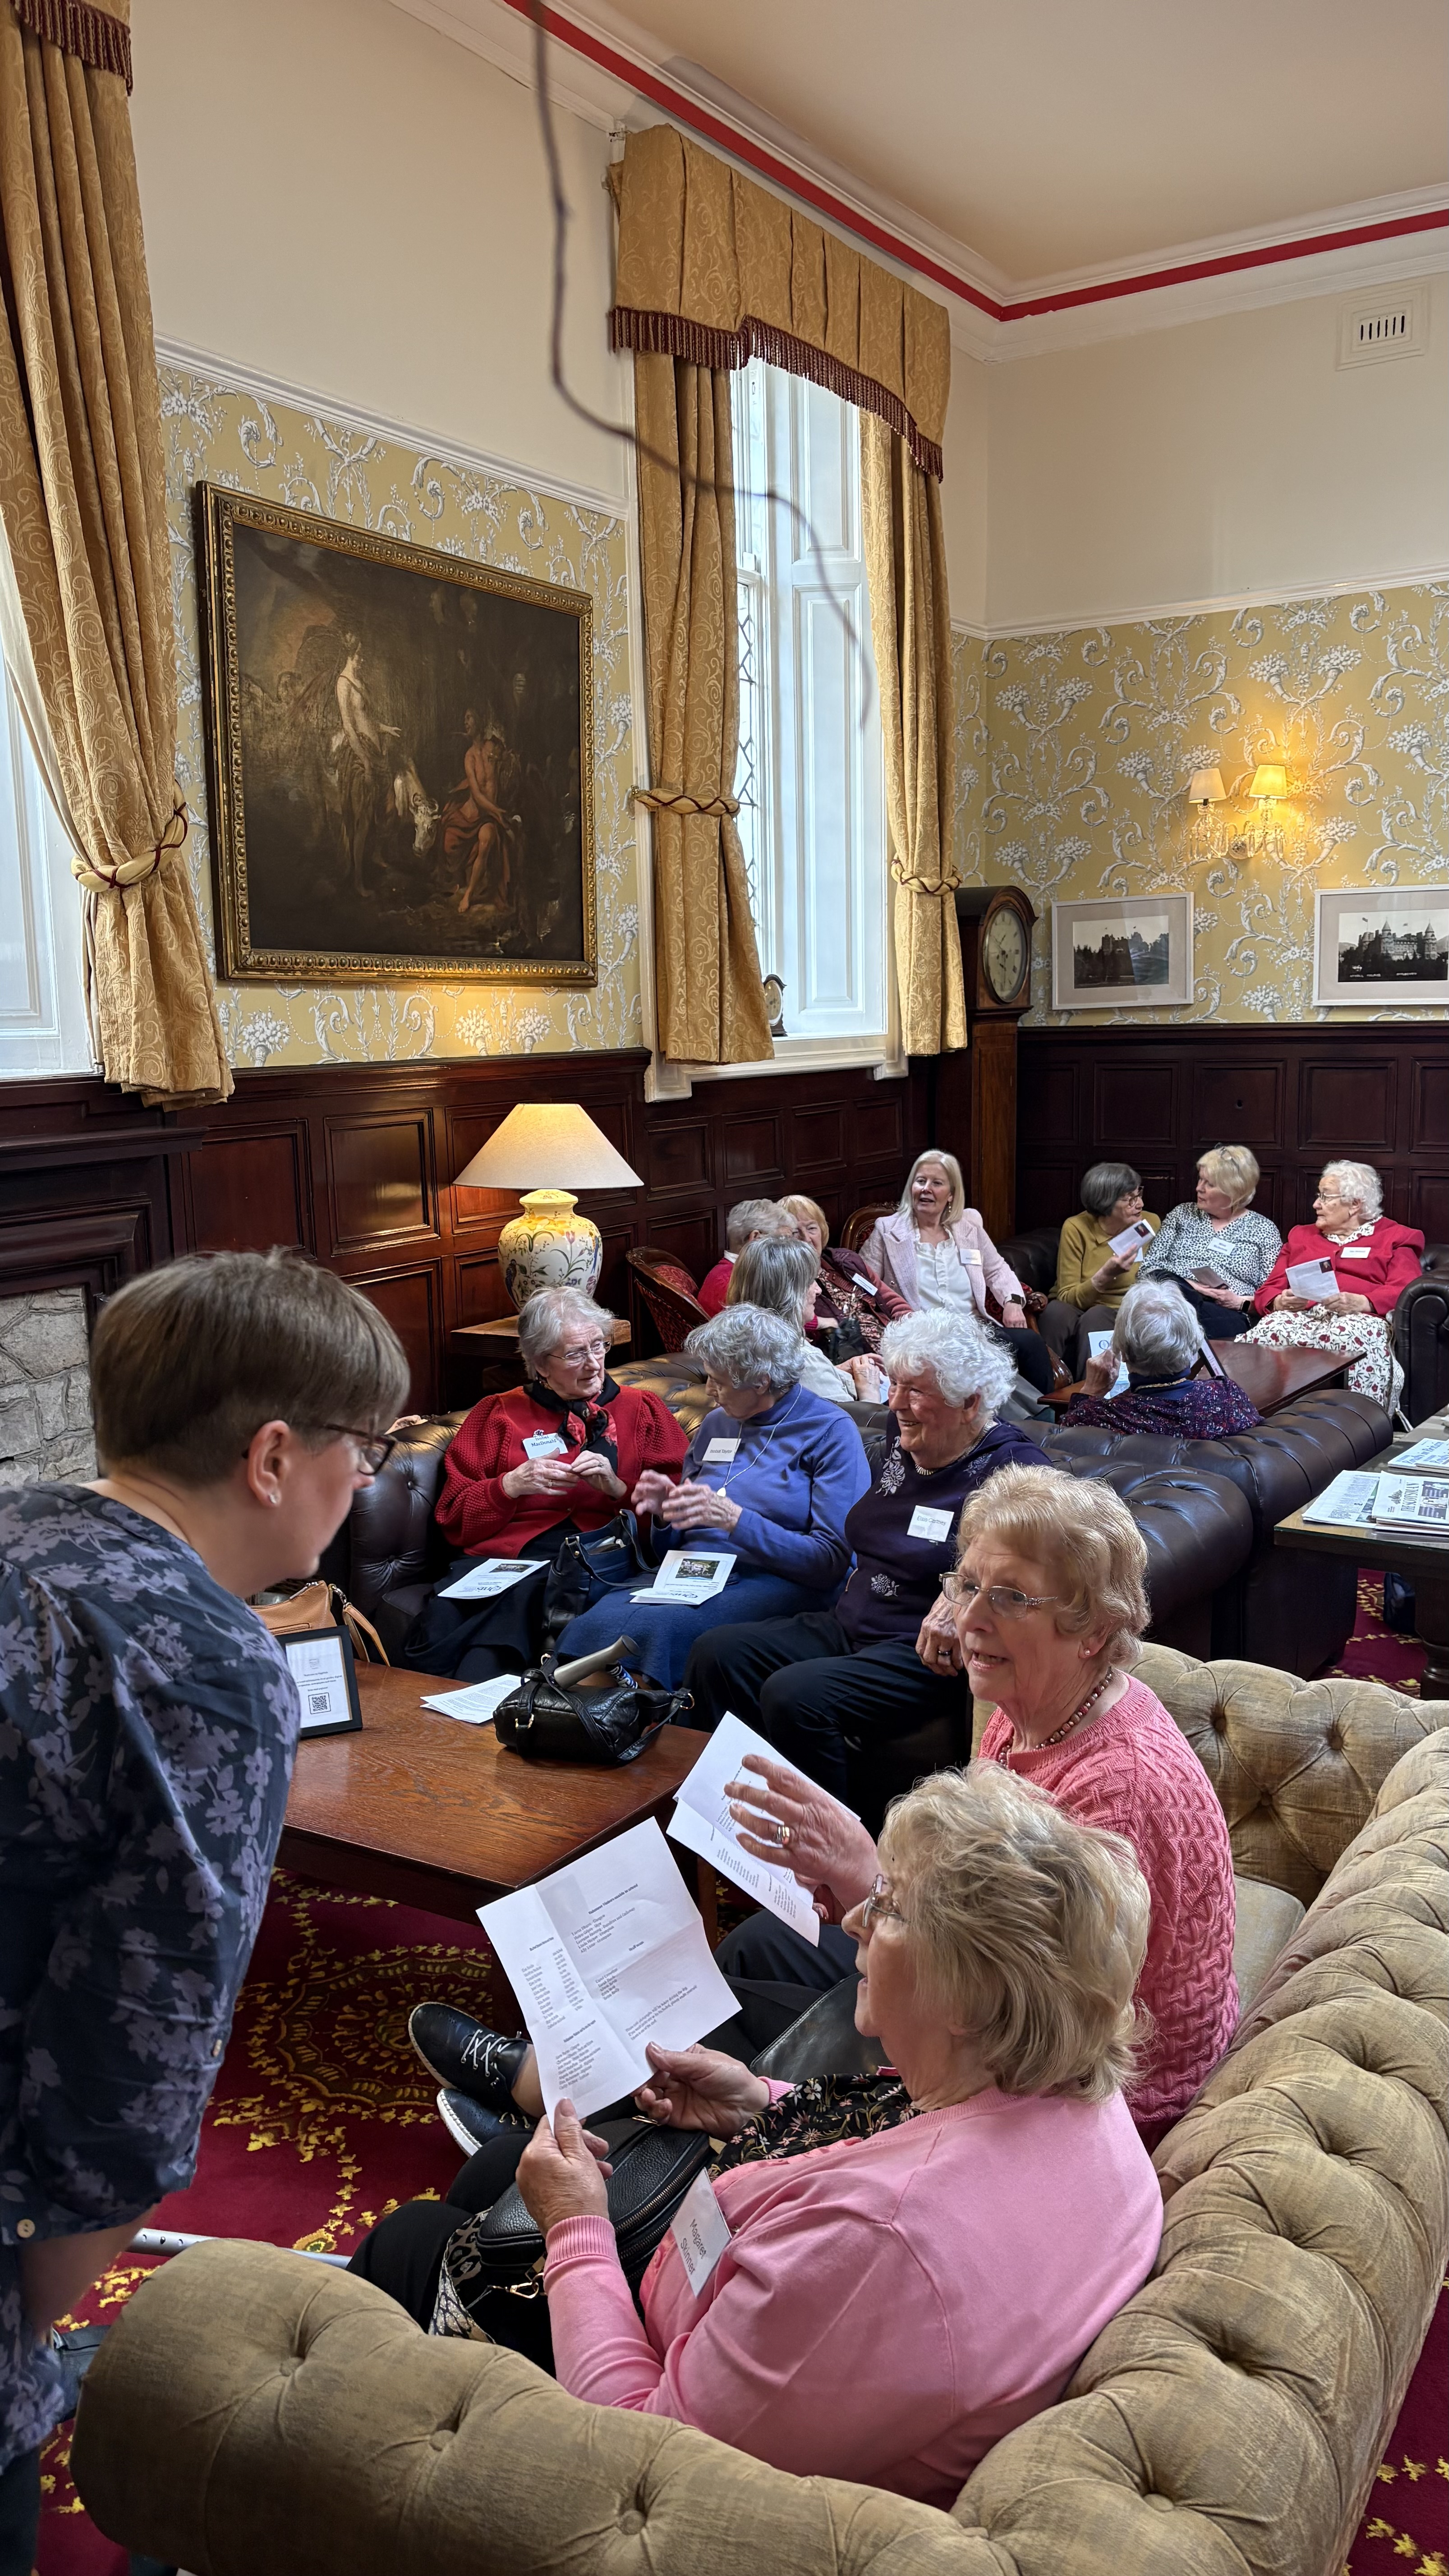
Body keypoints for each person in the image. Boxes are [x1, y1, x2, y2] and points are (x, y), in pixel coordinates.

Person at [355, 1764, 1163, 2504]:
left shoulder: (877, 2243)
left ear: (963, 1998)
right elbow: (910, 2138)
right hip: (750, 2319)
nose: (855, 1916)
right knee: (499, 2167)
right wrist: (761, 2103)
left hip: (671, 2452)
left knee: (412, 2240)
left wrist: (576, 2230)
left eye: (887, 1907)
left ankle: (340, 2462)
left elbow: (646, 2452)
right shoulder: (1072, 2084)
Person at [0, 1250, 409, 2575]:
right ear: (276, 1455)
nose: (374, 1477)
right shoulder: (207, 1663)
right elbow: (136, 2058)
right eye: (369, 1444)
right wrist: (34, 2327)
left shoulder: (19, 1528)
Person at [666, 1466, 1237, 2145]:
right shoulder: (1029, 1708)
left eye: (1012, 1597)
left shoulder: (1112, 1794)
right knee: (759, 1945)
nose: (968, 1619)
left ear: (1092, 1630)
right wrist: (865, 1877)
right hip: (1006, 1995)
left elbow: (1012, 2026)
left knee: (730, 2008)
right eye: (966, 1585)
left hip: (1082, 2096)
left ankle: (696, 2160)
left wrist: (863, 1876)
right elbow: (979, 1909)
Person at [685, 1308, 1049, 1803]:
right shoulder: (905, 1449)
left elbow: (1055, 1560)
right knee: (717, 1654)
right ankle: (733, 1818)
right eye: (894, 1385)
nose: (895, 1402)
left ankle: (835, 1852)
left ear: (971, 1402)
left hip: (921, 1652)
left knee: (796, 1695)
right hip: (851, 1626)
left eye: (915, 1391)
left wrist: (962, 1594)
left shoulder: (1015, 1467)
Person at [550, 1307, 870, 1690]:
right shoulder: (718, 1423)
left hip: (775, 1579)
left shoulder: (829, 1431)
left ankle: (641, 1734)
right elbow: (668, 1547)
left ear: (761, 1381)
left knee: (656, 1632)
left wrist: (737, 1521)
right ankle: (567, 1725)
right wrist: (667, 1513)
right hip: (690, 1573)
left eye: (718, 1382)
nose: (710, 1393)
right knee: (595, 1623)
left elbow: (831, 1561)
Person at [404, 1287, 686, 1683]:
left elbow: (676, 1516)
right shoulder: (496, 1414)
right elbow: (454, 1520)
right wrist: (508, 1487)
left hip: (593, 1556)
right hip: (502, 1558)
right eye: (574, 1354)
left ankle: (478, 1723)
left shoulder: (643, 1411)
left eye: (599, 1346)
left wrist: (616, 1488)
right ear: (539, 1363)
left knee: (519, 1608)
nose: (593, 1364)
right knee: (446, 1616)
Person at [860, 1151, 1056, 1398]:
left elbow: (997, 1269)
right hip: (925, 1336)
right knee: (972, 1366)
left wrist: (1013, 1302)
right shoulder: (888, 1231)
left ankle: (1047, 1415)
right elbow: (865, 1285)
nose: (926, 1189)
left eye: (937, 1183)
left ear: (951, 1194)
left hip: (974, 1329)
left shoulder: (967, 1227)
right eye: (920, 1181)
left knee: (1031, 1343)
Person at [1237, 1160, 1422, 1413]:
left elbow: (1406, 1290)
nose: (1316, 1204)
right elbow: (1267, 1291)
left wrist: (1364, 1302)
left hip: (1360, 1317)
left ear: (1355, 1204)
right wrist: (1280, 1301)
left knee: (1348, 1335)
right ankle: (1251, 1416)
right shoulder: (1301, 1235)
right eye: (1319, 1196)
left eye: (1326, 1197)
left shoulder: (1396, 1237)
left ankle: (1357, 1423)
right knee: (1272, 1328)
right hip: (1301, 1316)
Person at [1061, 1280, 1262, 1437]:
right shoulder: (1227, 1397)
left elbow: (1066, 1441)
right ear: (1193, 1341)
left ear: (1123, 1349)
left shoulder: (1102, 1417)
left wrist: (1091, 1391)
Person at [1136, 1145, 1281, 1339]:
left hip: (1227, 1314)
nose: (1199, 1188)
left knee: (1189, 1321)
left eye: (1209, 1184)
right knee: (1166, 1290)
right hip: (1171, 1301)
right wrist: (1192, 1287)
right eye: (1200, 1179)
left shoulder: (1263, 1229)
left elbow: (1271, 1295)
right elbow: (1147, 1270)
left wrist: (1239, 1302)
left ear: (1233, 1191)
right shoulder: (1182, 1214)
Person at [1038, 1163, 1160, 1380]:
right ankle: (1045, 1394)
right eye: (1130, 1199)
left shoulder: (1149, 1223)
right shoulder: (1076, 1228)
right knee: (1055, 1313)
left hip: (1120, 1307)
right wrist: (1104, 1276)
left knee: (1096, 1317)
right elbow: (1067, 1296)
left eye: (1139, 1193)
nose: (1140, 1203)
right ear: (1106, 1203)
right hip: (1074, 1303)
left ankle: (1091, 1399)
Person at [727, 1234, 861, 1407]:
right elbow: (852, 1425)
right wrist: (869, 1393)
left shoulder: (731, 1343)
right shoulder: (803, 1359)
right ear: (787, 1293)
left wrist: (835, 1372)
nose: (818, 1290)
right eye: (810, 1282)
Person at [779, 1192, 910, 1358]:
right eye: (796, 1233)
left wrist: (914, 1327)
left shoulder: (846, 1262)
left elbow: (891, 1301)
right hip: (861, 1365)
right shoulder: (786, 1284)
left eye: (812, 1228)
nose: (807, 1239)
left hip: (897, 1345)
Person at [696, 1198, 797, 1317]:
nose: (791, 1247)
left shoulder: (729, 1272)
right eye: (783, 1240)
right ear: (756, 1237)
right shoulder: (737, 1284)